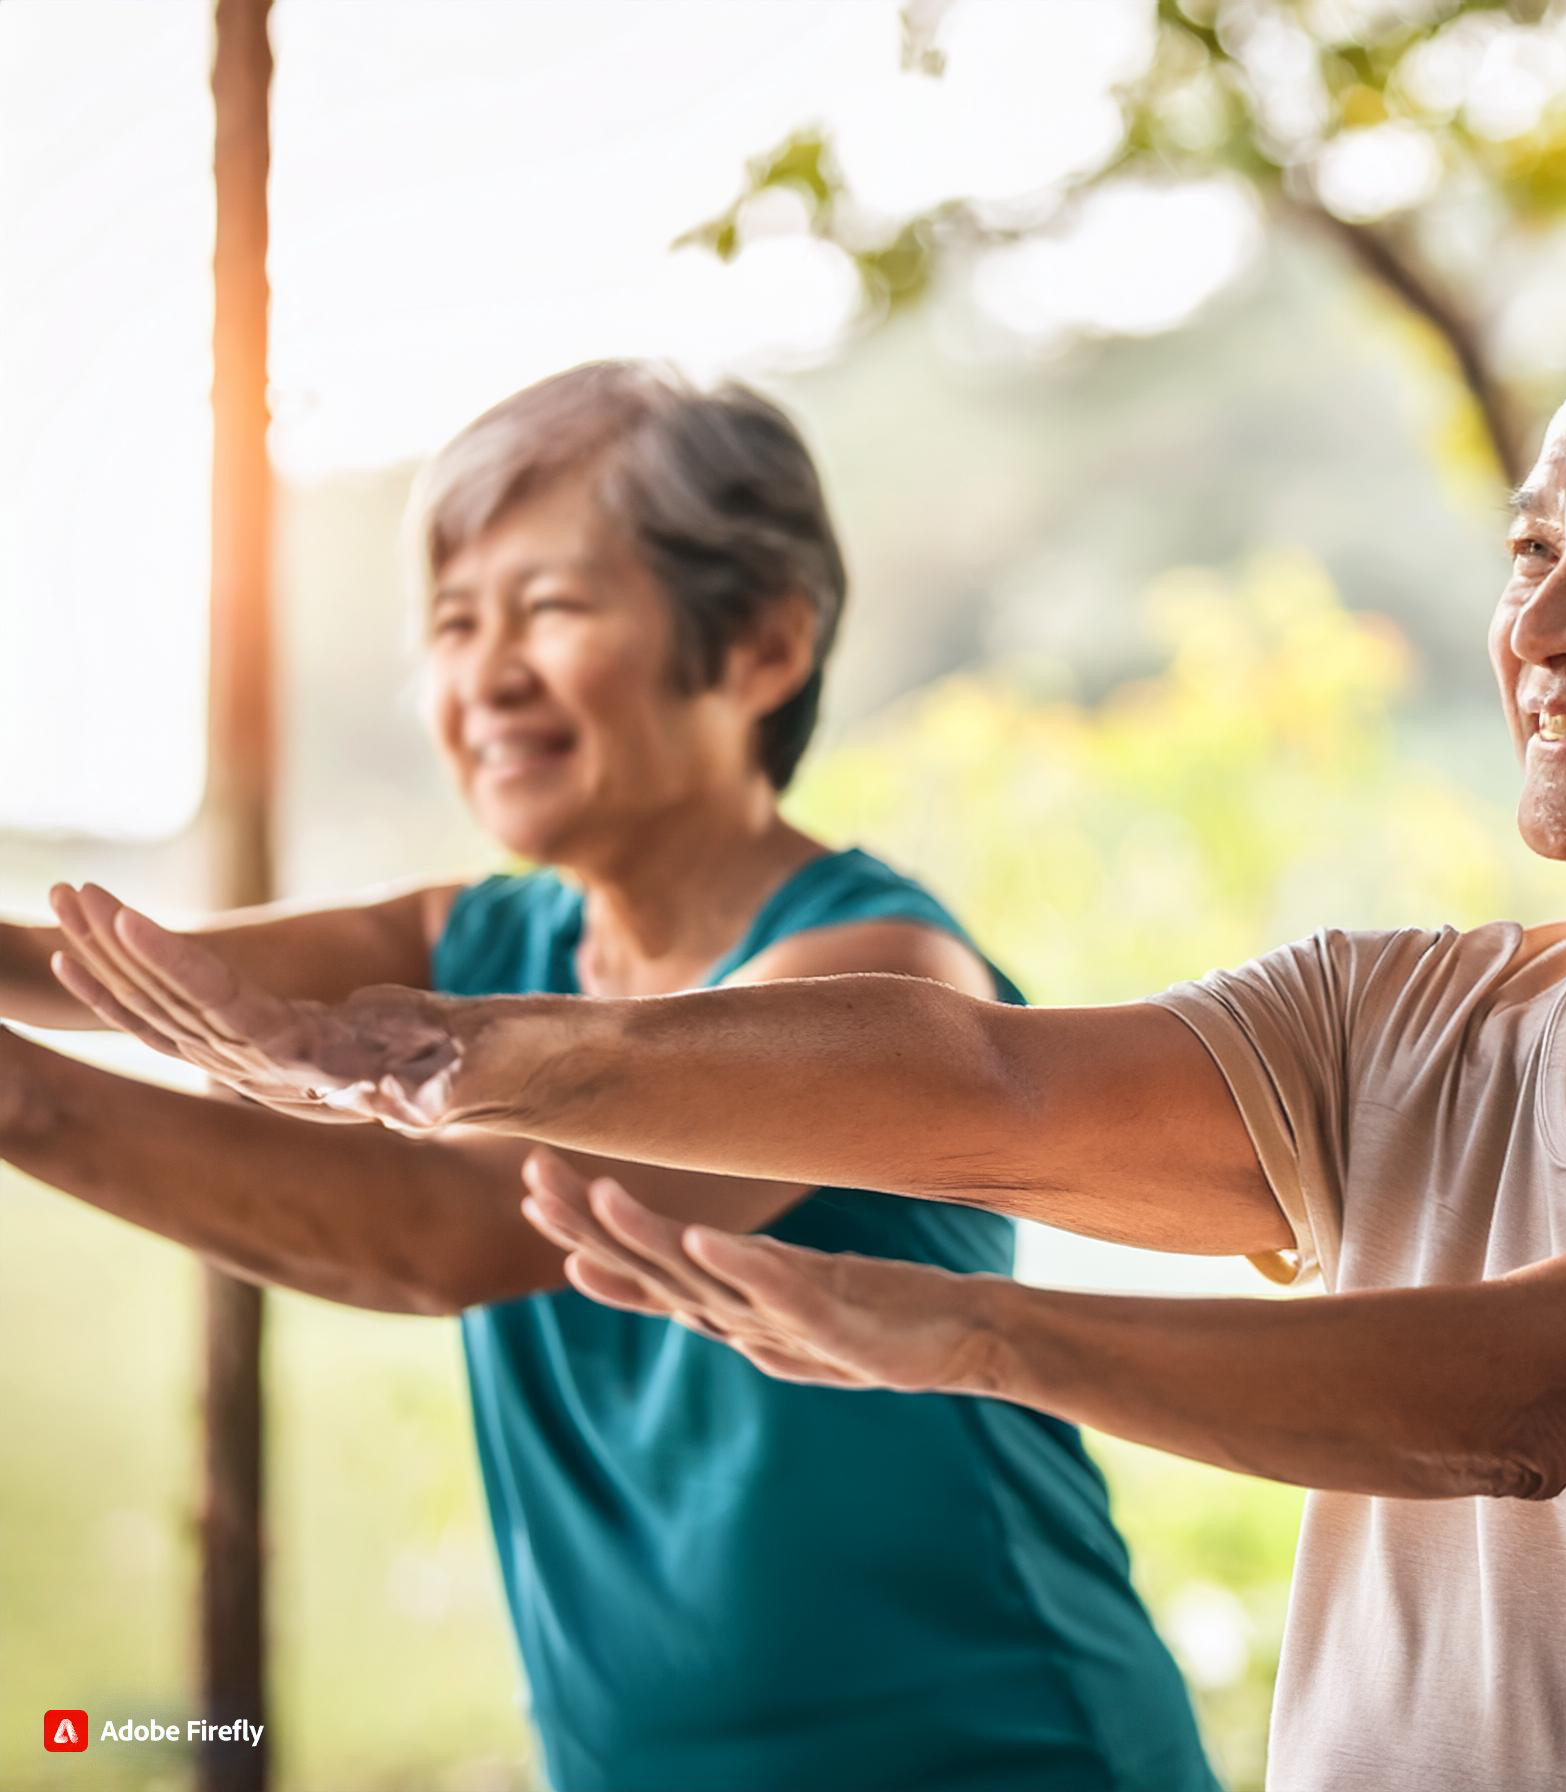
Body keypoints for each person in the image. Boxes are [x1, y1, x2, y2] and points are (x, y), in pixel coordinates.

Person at [55, 250, 1566, 1792]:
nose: (1539, 620)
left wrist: (981, 1335)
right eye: (1529, 550)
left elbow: (1552, 1391)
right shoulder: (1409, 1018)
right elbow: (983, 1088)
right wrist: (454, 1045)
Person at [3, 364, 1217, 1792]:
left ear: (763, 645)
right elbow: (96, 967)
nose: (485, 674)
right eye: (454, 624)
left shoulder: (872, 969)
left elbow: (438, 1224)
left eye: (552, 609)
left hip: (1000, 1759)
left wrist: (25, 1104)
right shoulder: (476, 938)